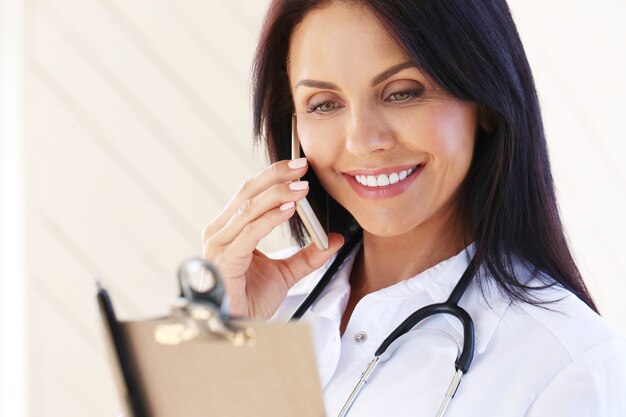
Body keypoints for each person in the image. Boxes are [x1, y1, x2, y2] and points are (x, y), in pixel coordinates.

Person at [202, 0, 626, 415]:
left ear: (484, 102)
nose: (363, 141)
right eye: (324, 104)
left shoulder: (573, 366)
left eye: (402, 93)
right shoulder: (254, 307)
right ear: (294, 125)